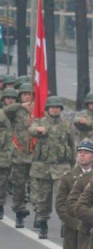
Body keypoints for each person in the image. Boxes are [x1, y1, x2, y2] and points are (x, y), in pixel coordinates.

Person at [29, 96, 75, 239]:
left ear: (60, 109)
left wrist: (72, 165)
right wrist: (38, 129)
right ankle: (43, 225)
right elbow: (31, 129)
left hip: (61, 167)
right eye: (52, 107)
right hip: (44, 167)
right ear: (47, 109)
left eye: (57, 107)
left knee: (63, 197)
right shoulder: (41, 122)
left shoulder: (66, 124)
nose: (55, 109)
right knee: (43, 198)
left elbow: (71, 144)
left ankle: (64, 224)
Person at [4, 82, 34, 228]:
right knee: (19, 186)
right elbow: (5, 112)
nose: (27, 96)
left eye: (29, 94)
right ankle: (19, 212)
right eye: (24, 94)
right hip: (20, 154)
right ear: (20, 96)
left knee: (37, 188)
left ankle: (40, 214)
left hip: (36, 155)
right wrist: (21, 106)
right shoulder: (15, 110)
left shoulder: (39, 109)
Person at [0, 93, 12, 221]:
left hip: (3, 157)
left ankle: (0, 205)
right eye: (7, 98)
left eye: (13, 99)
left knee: (1, 184)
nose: (10, 101)